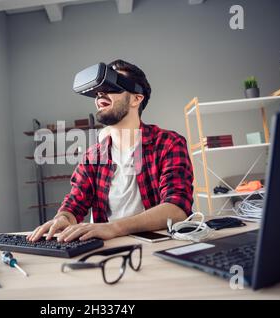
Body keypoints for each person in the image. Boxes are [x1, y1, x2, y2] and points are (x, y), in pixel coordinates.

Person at [28, 59, 193, 243]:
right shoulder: (93, 157)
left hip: (157, 248)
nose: (100, 94)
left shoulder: (168, 144)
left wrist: (114, 227)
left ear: (137, 98)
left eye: (111, 86)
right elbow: (75, 203)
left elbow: (176, 209)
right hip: (109, 251)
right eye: (98, 90)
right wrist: (63, 218)